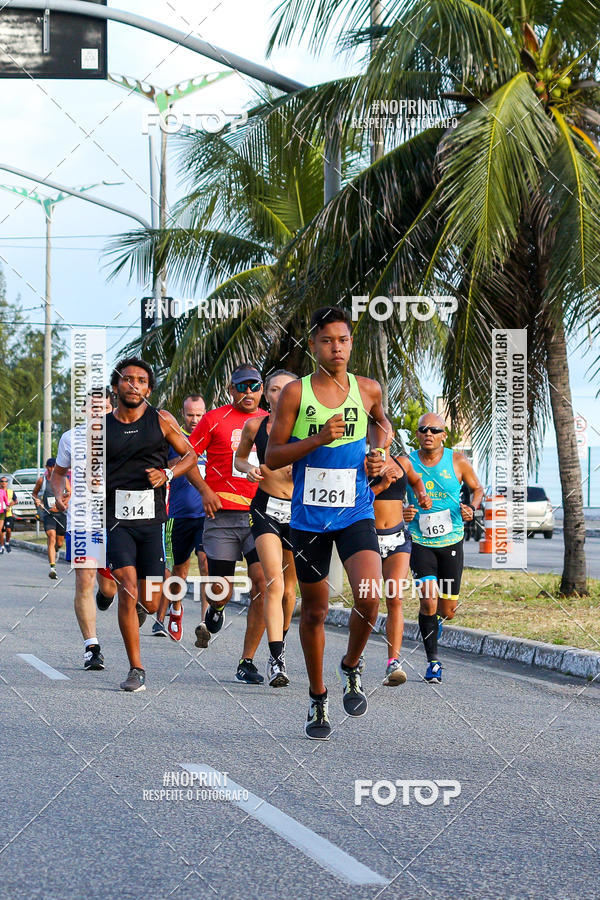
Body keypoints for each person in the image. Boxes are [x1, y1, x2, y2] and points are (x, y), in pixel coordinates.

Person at [266, 306, 389, 740]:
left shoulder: (369, 389)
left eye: (343, 340)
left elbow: (381, 425)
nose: (335, 348)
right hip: (309, 519)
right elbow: (273, 456)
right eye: (326, 341)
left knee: (370, 596)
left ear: (351, 343)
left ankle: (351, 666)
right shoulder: (295, 395)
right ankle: (318, 698)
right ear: (313, 344)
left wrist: (380, 452)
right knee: (315, 611)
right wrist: (319, 437)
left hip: (355, 511)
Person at [105, 357, 197, 692]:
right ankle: (136, 668)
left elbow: (189, 454)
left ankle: (145, 610)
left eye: (141, 380)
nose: (133, 385)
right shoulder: (101, 429)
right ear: (116, 386)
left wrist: (168, 473)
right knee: (127, 588)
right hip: (116, 521)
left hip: (152, 521)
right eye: (127, 379)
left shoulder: (162, 420)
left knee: (151, 600)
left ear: (149, 388)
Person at [187, 364, 267, 684]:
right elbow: (188, 459)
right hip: (222, 515)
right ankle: (217, 609)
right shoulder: (213, 418)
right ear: (230, 389)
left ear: (262, 389)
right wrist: (205, 490)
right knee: (222, 589)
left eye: (255, 386)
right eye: (241, 386)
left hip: (261, 515)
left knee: (263, 583)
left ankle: (247, 661)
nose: (248, 393)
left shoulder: (271, 421)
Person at [404, 412, 483, 683]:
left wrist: (472, 508)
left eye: (435, 430)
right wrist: (402, 511)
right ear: (417, 434)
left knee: (447, 610)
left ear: (443, 435)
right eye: (423, 429)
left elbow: (477, 489)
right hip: (420, 541)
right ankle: (433, 662)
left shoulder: (458, 461)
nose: (429, 434)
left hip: (451, 541)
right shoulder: (407, 461)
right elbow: (388, 493)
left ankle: (435, 621)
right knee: (428, 599)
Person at [234, 370, 298, 687]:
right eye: (273, 389)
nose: (279, 394)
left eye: (287, 389)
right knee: (272, 583)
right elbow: (240, 459)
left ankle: (279, 645)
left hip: (299, 512)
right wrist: (249, 470)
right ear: (266, 395)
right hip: (266, 509)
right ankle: (276, 659)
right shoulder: (255, 426)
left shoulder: (309, 429)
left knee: (289, 591)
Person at [51, 388, 118, 671]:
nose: (96, 413)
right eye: (91, 408)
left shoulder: (123, 434)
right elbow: (58, 473)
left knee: (110, 586)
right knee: (84, 581)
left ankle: (107, 594)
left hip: (116, 520)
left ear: (110, 408)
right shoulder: (71, 438)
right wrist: (58, 494)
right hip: (83, 520)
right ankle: (92, 647)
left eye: (101, 407)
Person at [371, 420, 430, 686]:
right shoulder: (361, 462)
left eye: (385, 430)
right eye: (374, 430)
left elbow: (417, 482)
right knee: (368, 601)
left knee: (395, 598)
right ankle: (354, 658)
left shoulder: (403, 462)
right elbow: (356, 497)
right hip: (367, 538)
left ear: (392, 435)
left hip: (397, 538)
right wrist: (382, 485)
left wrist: (421, 496)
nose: (381, 435)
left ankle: (393, 662)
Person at [154, 394, 208, 641]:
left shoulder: (211, 437)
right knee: (178, 571)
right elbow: (167, 466)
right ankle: (175, 610)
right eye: (190, 415)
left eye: (199, 414)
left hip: (207, 514)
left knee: (207, 564)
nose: (195, 420)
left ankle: (206, 621)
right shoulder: (172, 440)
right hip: (178, 515)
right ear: (183, 414)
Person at [32, 458, 69, 579]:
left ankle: (56, 551)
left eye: (54, 467)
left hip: (61, 514)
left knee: (59, 542)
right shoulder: (42, 481)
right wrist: (37, 501)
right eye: (49, 467)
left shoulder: (63, 480)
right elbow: (34, 494)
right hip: (48, 514)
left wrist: (63, 503)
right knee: (51, 536)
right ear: (46, 467)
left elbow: (70, 492)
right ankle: (52, 568)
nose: (52, 469)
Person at [0, 476, 16, 552]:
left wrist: (10, 505)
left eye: (5, 481)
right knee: (1, 531)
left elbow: (15, 500)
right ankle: (2, 546)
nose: (4, 483)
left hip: (8, 513)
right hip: (1, 513)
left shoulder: (10, 491)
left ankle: (7, 542)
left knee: (8, 530)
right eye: (2, 481)